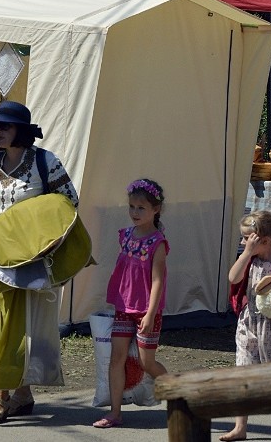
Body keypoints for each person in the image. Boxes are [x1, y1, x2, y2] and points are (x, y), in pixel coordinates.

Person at [0, 101, 78, 422]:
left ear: (21, 131)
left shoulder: (45, 161)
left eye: (7, 126)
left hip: (30, 258)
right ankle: (24, 394)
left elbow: (68, 203)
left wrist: (52, 242)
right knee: (3, 326)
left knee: (16, 326)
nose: (0, 132)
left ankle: (0, 393)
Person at [92, 178, 168, 429]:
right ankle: (115, 413)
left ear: (156, 210)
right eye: (132, 207)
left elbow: (157, 281)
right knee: (117, 358)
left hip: (147, 311)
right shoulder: (125, 236)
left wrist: (150, 313)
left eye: (141, 208)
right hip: (123, 307)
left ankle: (182, 392)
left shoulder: (157, 242)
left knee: (147, 363)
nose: (135, 213)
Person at [220, 211, 271, 442]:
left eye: (247, 239)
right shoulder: (248, 260)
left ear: (265, 241)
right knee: (243, 373)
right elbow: (233, 278)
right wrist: (246, 253)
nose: (242, 243)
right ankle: (240, 426)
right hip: (249, 324)